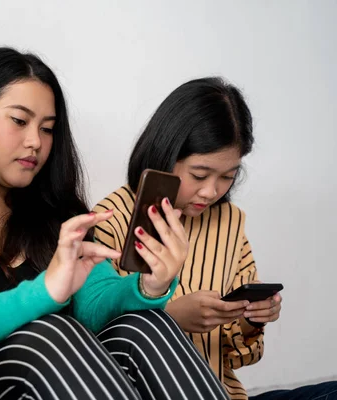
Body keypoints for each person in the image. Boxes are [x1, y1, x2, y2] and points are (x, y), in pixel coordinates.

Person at [0, 48, 229, 400]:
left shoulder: (54, 214)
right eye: (19, 121)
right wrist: (47, 291)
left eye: (47, 128)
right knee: (49, 333)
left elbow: (96, 305)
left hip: (59, 382)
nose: (35, 142)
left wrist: (149, 286)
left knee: (149, 325)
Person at [93, 77, 337, 399]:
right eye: (199, 174)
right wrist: (172, 318)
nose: (211, 192)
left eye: (227, 176)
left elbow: (240, 357)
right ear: (166, 153)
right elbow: (94, 347)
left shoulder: (230, 222)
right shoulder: (110, 218)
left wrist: (252, 322)